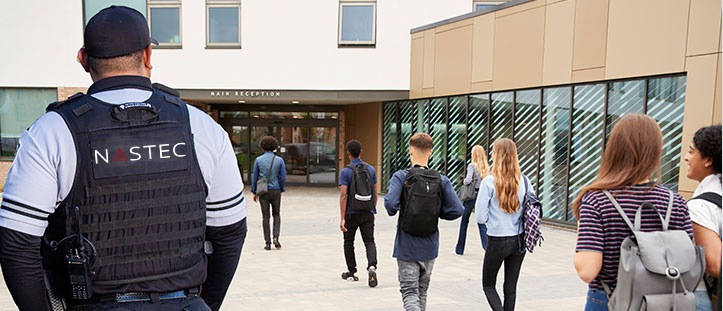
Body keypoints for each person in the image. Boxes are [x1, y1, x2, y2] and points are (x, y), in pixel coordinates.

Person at [0, 6, 246, 311]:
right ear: (148, 56)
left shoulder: (51, 131)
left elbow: (16, 243)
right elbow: (230, 232)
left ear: (83, 59)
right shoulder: (202, 127)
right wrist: (202, 304)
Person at [573, 114, 694, 311]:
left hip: (610, 300)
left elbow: (587, 270)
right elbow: (689, 262)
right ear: (655, 151)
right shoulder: (676, 202)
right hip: (665, 301)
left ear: (614, 149)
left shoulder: (597, 200)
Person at [384, 133, 463, 311]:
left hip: (406, 246)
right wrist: (438, 213)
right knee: (422, 291)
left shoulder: (401, 176)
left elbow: (390, 204)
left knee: (409, 293)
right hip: (430, 246)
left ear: (410, 150)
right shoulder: (442, 179)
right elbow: (457, 210)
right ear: (431, 152)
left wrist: (397, 210)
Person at [475, 138, 532, 311]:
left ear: (496, 155)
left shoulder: (489, 182)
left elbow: (479, 216)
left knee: (488, 284)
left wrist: (493, 220)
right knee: (510, 288)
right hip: (519, 239)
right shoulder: (525, 181)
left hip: (497, 239)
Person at [684, 125, 722, 311]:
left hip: (707, 297)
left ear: (708, 160)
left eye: (691, 152)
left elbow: (715, 264)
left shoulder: (700, 206)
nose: (686, 158)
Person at [338, 139, 379, 287]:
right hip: (367, 212)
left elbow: (344, 195)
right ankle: (372, 266)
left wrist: (342, 218)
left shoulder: (346, 171)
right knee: (369, 241)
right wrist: (372, 210)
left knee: (349, 241)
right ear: (361, 152)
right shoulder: (371, 170)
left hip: (351, 213)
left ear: (348, 154)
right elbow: (375, 192)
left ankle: (352, 272)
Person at [251, 136, 287, 251]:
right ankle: (276, 237)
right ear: (275, 146)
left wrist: (254, 191)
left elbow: (255, 177)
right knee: (276, 214)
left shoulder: (258, 160)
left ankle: (267, 242)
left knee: (265, 217)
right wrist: (281, 188)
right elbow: (283, 177)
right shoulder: (279, 160)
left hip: (263, 191)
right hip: (276, 190)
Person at [455, 145, 490, 255]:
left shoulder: (472, 165)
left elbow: (468, 181)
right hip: (481, 195)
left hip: (470, 197)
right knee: (481, 222)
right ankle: (487, 248)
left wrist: (464, 180)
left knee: (464, 222)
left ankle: (459, 250)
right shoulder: (485, 166)